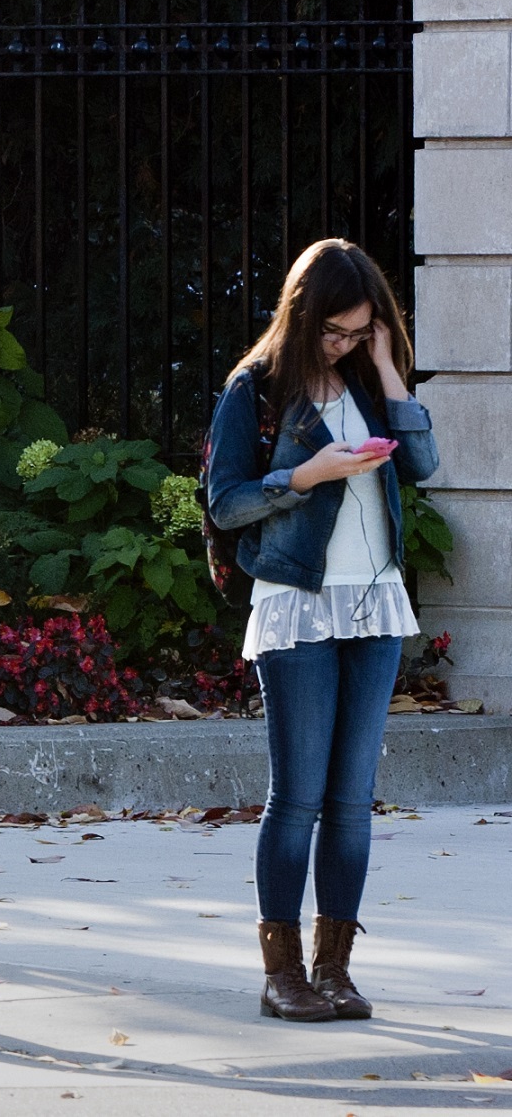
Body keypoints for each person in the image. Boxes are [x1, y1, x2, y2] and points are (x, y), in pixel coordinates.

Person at [204, 238, 437, 1023]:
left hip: (373, 606)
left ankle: (334, 969)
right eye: (332, 331)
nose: (341, 344)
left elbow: (424, 463)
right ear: (302, 317)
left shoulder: (369, 385)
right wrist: (303, 477)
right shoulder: (257, 389)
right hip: (298, 601)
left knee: (351, 802)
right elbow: (225, 501)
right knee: (297, 797)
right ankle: (282, 976)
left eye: (356, 331)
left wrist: (386, 366)